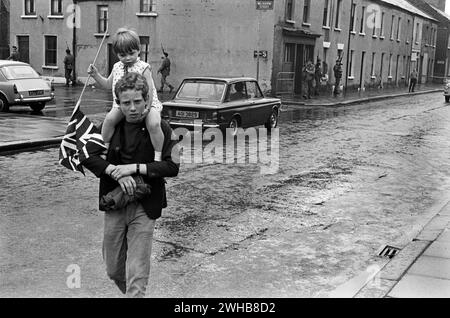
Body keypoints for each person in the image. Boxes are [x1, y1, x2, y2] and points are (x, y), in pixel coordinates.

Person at [82, 72, 180, 298]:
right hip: (115, 203)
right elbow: (86, 154)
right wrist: (116, 173)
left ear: (147, 100)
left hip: (145, 207)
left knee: (137, 271)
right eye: (126, 103)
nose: (133, 108)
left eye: (138, 102)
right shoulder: (110, 126)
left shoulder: (161, 127)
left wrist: (134, 168)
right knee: (114, 269)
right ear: (119, 103)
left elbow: (172, 166)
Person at [87, 27, 165, 163]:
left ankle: (158, 155)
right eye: (122, 55)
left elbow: (150, 90)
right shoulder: (116, 66)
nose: (127, 58)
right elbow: (107, 85)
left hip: (146, 104)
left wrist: (147, 109)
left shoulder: (143, 67)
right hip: (121, 106)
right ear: (117, 54)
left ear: (138, 50)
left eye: (131, 53)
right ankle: (105, 149)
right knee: (109, 120)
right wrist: (95, 75)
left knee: (154, 124)